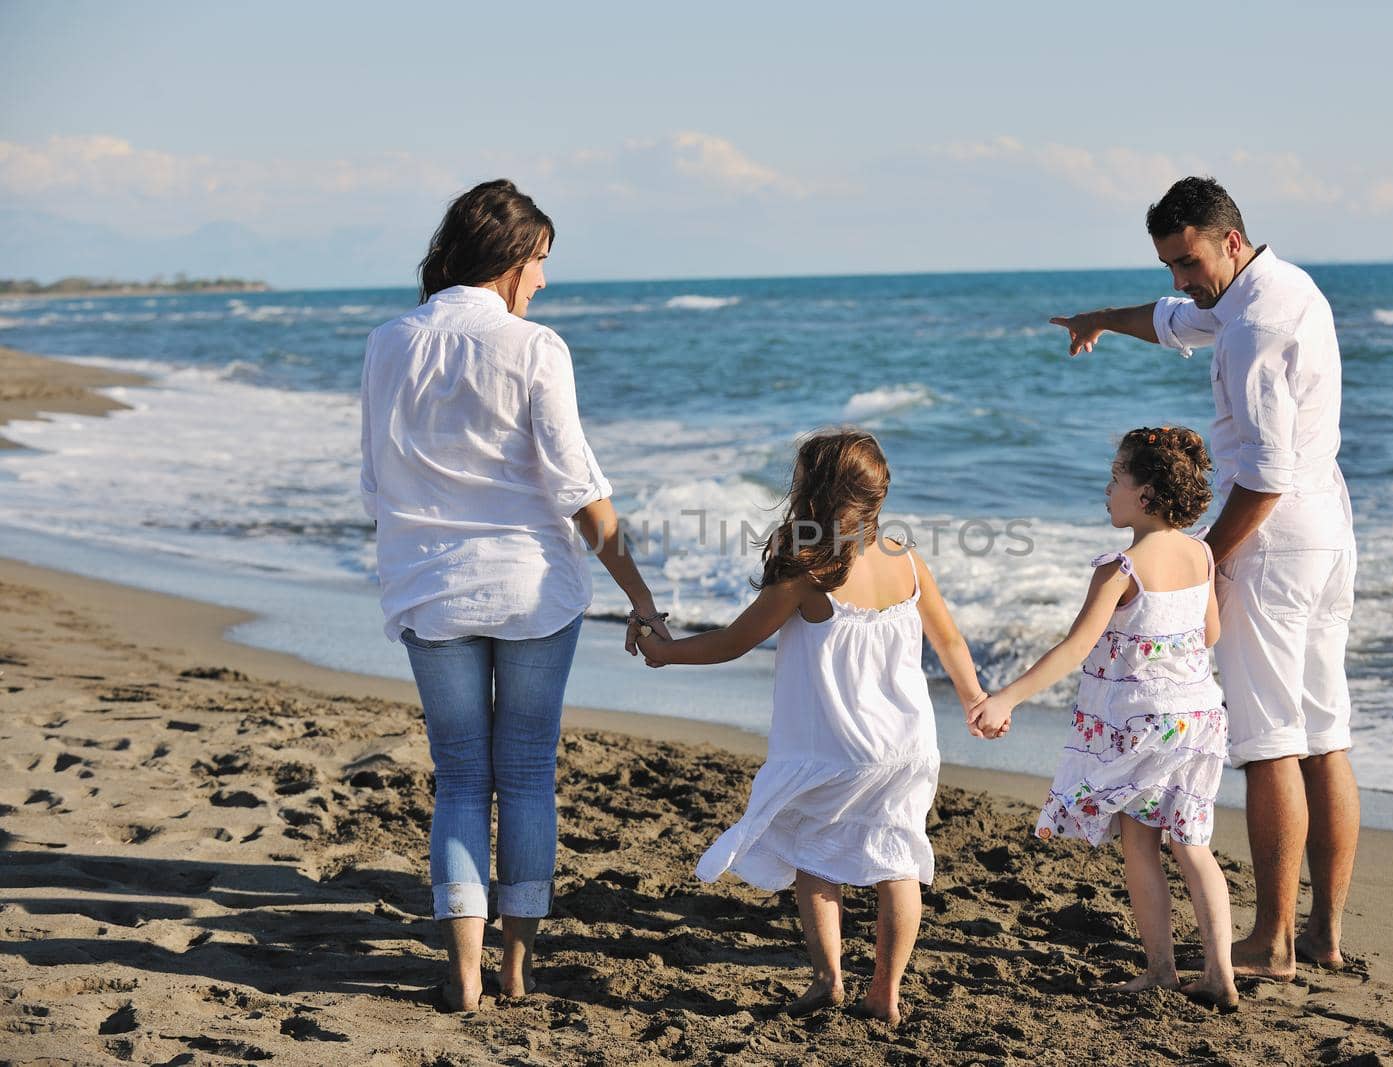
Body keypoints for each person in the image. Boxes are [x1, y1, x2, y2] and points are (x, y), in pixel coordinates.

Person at [359, 179, 670, 1012]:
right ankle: (515, 969)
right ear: (510, 259)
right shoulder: (536, 349)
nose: (543, 282)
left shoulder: (390, 342)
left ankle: (461, 976)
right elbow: (581, 490)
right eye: (539, 263)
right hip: (533, 590)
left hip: (430, 589)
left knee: (461, 776)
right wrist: (640, 597)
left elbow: (373, 479)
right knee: (526, 771)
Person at [1049, 177, 1359, 980]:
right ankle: (1323, 932)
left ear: (1227, 237)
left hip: (1273, 541)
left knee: (1270, 743)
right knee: (1324, 734)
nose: (1180, 280)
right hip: (1328, 532)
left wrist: (1204, 563)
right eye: (1168, 266)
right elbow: (1175, 320)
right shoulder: (1280, 285)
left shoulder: (1257, 323)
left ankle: (1274, 941)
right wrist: (1101, 323)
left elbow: (1262, 474)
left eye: (1186, 261)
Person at [635, 428, 984, 1026]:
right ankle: (886, 991)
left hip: (835, 746)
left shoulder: (808, 572)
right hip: (908, 745)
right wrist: (976, 698)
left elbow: (733, 642)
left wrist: (665, 652)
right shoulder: (907, 561)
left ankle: (828, 979)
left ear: (812, 495)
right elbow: (948, 639)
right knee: (898, 860)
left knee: (812, 853)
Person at [969, 427, 1237, 1009]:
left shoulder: (1120, 569)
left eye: (1117, 477)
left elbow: (1072, 649)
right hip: (1198, 719)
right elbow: (1210, 632)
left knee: (1140, 845)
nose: (1107, 487)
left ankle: (1162, 969)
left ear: (1145, 495)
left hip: (1139, 724)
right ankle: (1221, 973)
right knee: (1194, 844)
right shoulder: (1200, 553)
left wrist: (1006, 697)